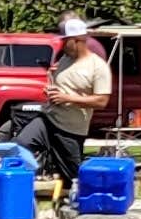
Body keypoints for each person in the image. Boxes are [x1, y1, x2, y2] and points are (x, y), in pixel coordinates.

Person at [33, 14, 111, 207]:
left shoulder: (98, 67)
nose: (61, 45)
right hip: (48, 119)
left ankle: (81, 207)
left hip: (72, 128)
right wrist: (52, 92)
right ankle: (22, 197)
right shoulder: (65, 60)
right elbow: (62, 86)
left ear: (77, 41)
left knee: (73, 176)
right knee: (20, 145)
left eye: (65, 41)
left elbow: (102, 101)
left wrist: (67, 98)